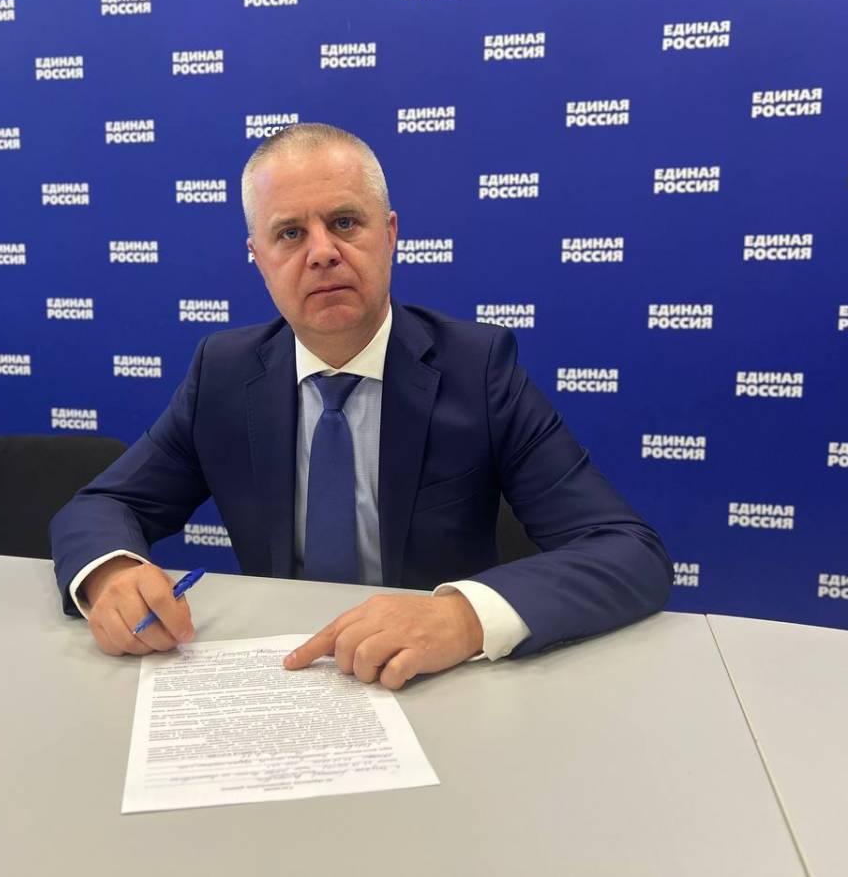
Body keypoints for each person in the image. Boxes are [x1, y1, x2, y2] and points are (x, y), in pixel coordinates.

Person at [50, 123, 672, 689]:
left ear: (390, 233)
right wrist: (110, 574)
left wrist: (460, 617)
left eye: (345, 223)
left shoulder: (478, 369)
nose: (322, 251)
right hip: (283, 675)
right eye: (290, 234)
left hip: (435, 684)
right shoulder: (224, 372)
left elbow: (627, 550)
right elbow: (104, 505)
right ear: (257, 257)